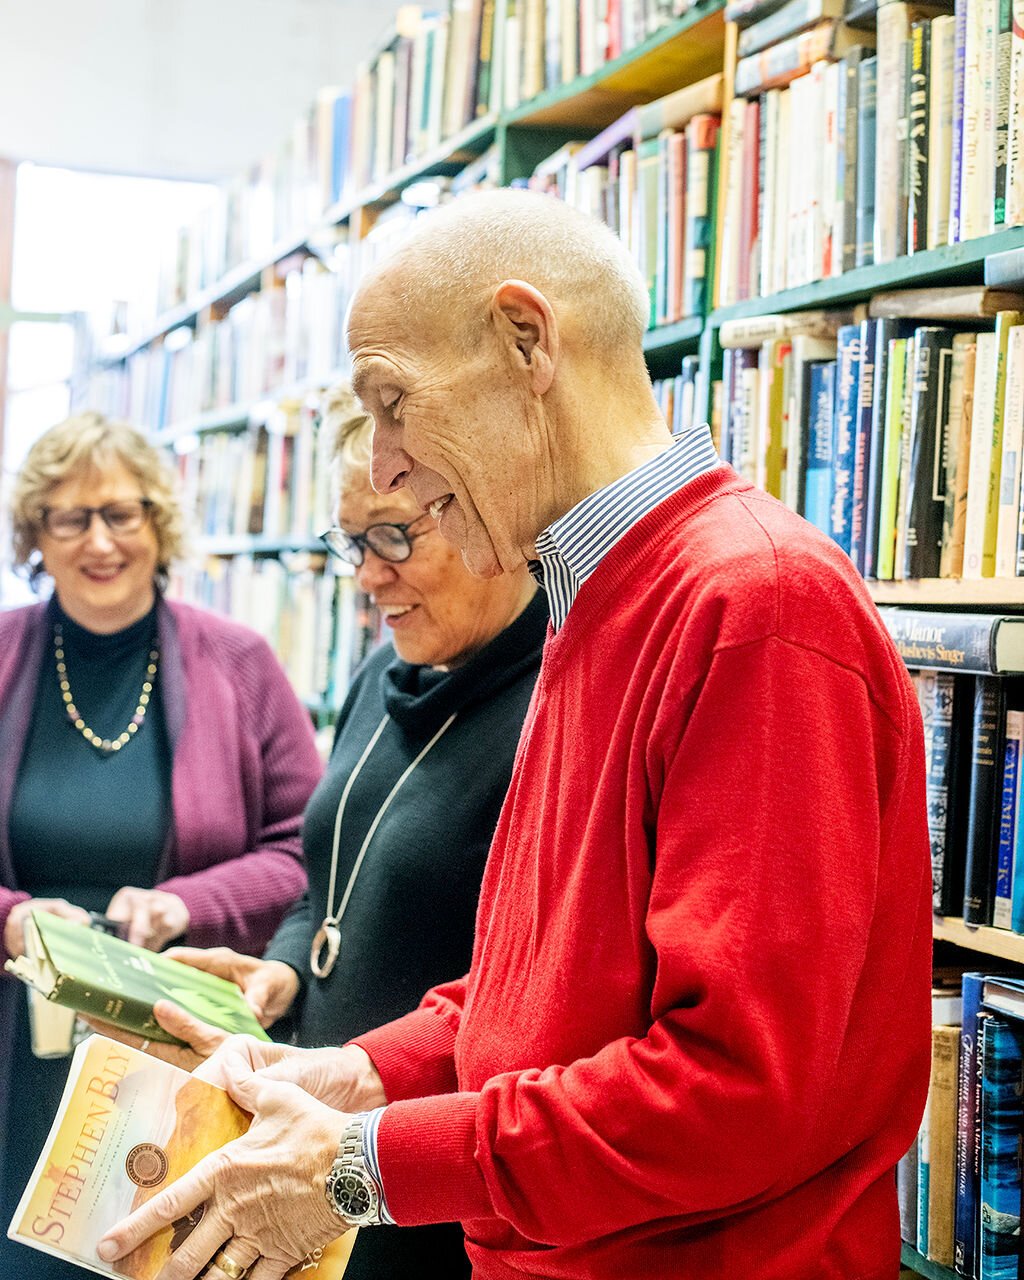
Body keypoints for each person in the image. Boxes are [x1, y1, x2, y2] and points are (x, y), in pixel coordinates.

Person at [100, 189, 933, 1280]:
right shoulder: (586, 599)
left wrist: (359, 1166)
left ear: (527, 340)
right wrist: (352, 1073)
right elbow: (538, 991)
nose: (386, 461)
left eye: (395, 401)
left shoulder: (755, 606)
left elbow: (731, 1087)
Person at [140, 382, 547, 1279]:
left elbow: (535, 995)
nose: (366, 576)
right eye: (350, 541)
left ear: (489, 518)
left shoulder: (556, 707)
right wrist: (285, 966)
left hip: (432, 1181)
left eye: (396, 536)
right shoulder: (386, 667)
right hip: (319, 1142)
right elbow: (330, 875)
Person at [0, 412, 322, 1279]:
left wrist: (188, 903)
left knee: (160, 1255)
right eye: (70, 518)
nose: (100, 541)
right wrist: (12, 919)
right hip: (10, 1042)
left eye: (122, 513)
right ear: (36, 533)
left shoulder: (242, 662)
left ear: (158, 524)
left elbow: (304, 850)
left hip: (177, 1035)